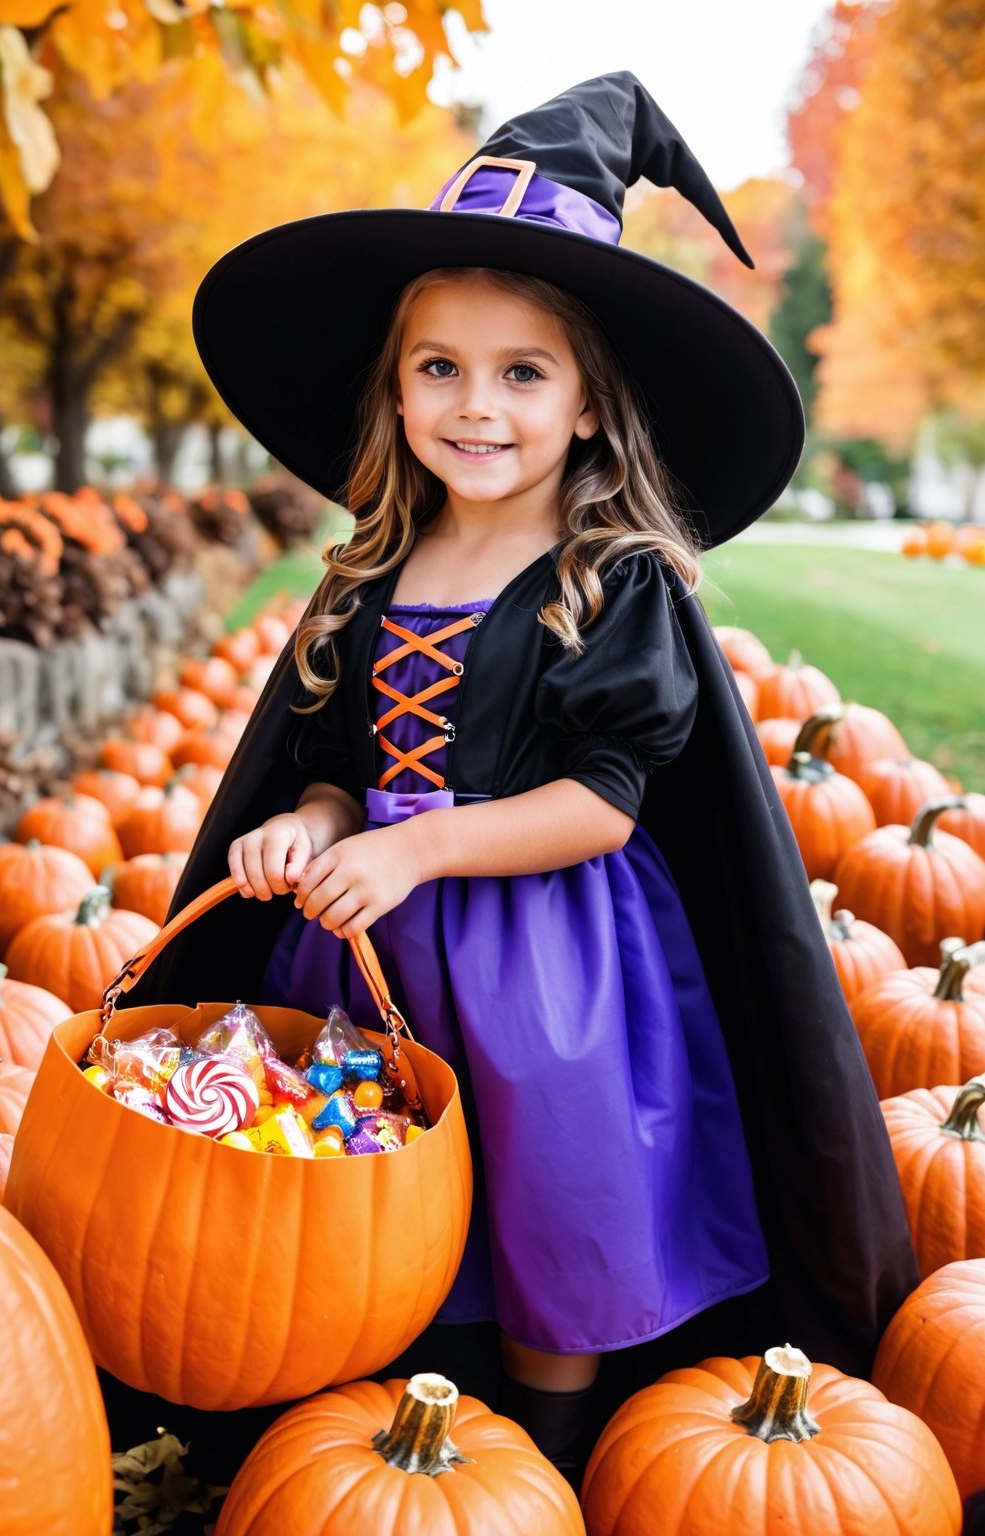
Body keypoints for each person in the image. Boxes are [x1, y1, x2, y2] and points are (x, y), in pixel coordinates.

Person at [126, 74, 917, 1476]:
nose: (473, 405)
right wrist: (302, 832)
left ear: (594, 409)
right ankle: (376, 1428)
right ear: (395, 383)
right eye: (438, 366)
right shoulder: (368, 575)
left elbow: (604, 804)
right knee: (365, 1202)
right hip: (361, 957)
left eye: (521, 372)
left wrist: (416, 847)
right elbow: (326, 767)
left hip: (548, 968)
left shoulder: (608, 586)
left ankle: (541, 1458)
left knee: (554, 1207)